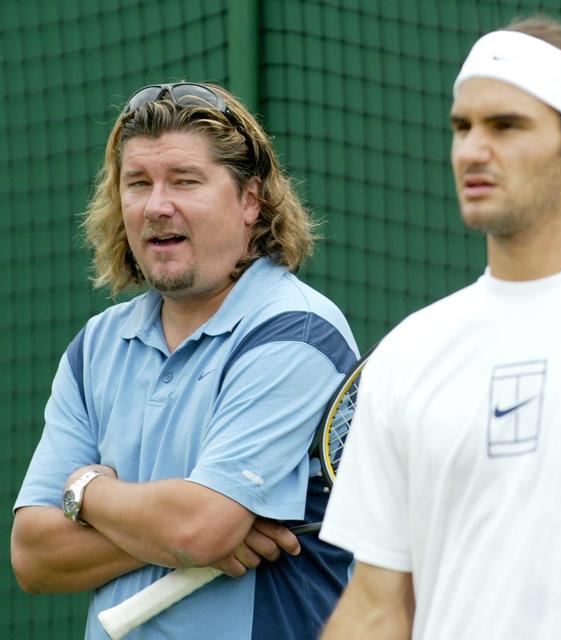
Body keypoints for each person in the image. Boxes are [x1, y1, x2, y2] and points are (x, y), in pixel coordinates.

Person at [319, 15, 561, 640]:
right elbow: (377, 607)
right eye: (463, 127)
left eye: (506, 126)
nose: (471, 149)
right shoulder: (411, 352)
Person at [11, 81, 358, 639]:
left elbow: (199, 528)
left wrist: (87, 494)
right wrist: (183, 529)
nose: (157, 206)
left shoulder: (297, 331)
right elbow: (34, 555)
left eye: (185, 181)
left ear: (252, 199)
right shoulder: (95, 345)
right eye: (138, 183)